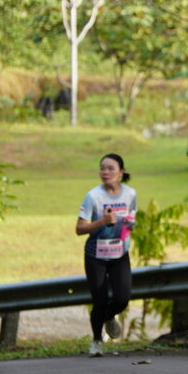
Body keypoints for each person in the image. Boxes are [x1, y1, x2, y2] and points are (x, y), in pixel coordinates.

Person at [75, 153, 137, 357]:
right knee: (99, 301)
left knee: (122, 299)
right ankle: (96, 341)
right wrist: (102, 221)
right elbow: (79, 229)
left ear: (121, 172)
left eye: (110, 168)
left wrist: (128, 226)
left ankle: (109, 317)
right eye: (102, 168)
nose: (105, 172)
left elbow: (131, 217)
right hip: (96, 256)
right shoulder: (93, 196)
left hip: (120, 254)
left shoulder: (130, 194)